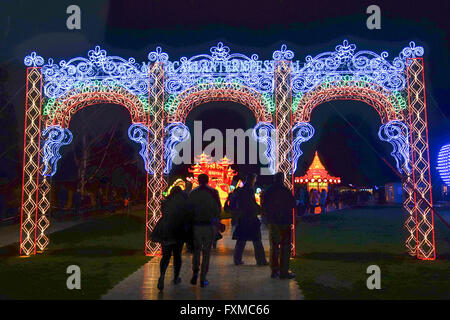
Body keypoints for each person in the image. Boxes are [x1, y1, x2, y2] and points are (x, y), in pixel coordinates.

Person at [187, 173, 221, 287]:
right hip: (208, 225)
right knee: (206, 252)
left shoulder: (193, 193)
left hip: (196, 225)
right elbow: (218, 209)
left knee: (196, 250)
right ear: (207, 181)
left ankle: (195, 272)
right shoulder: (213, 192)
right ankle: (203, 277)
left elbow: (189, 210)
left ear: (197, 180)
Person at [261, 172, 296, 279]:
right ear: (282, 179)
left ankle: (274, 270)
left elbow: (264, 204)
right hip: (284, 221)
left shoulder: (268, 191)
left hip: (273, 221)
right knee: (285, 247)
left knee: (274, 247)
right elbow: (293, 204)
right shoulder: (286, 190)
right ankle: (284, 271)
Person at [157, 186, 189, 291]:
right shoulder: (182, 203)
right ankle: (175, 277)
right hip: (178, 230)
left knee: (165, 256)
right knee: (177, 255)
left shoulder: (165, 202)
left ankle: (162, 275)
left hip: (166, 229)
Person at [232, 173, 268, 266]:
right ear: (253, 179)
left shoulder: (241, 190)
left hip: (243, 217)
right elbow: (251, 203)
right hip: (250, 217)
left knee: (241, 239)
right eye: (255, 179)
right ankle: (261, 260)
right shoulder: (249, 190)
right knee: (256, 239)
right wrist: (259, 209)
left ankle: (237, 259)